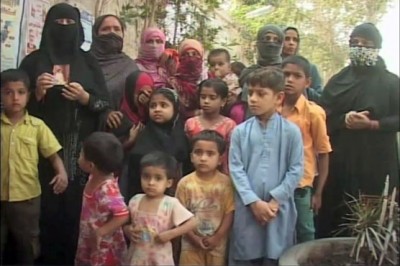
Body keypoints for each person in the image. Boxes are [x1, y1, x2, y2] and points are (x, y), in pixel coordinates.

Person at [18, 3, 110, 264]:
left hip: (78, 155)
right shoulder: (33, 61)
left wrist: (85, 98)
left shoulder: (88, 62)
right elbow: (14, 105)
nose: (64, 29)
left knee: (73, 213)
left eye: (70, 24)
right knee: (40, 212)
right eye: (59, 23)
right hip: (36, 154)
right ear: (48, 26)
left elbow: (104, 103)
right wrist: (36, 93)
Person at [317, 23, 399, 238]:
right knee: (337, 214)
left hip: (377, 165)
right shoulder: (337, 81)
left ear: (377, 48)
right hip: (340, 163)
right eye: (354, 43)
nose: (359, 47)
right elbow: (321, 118)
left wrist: (372, 124)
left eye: (366, 43)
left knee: (375, 219)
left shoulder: (391, 83)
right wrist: (343, 119)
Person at [229, 67, 304, 266]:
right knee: (247, 256)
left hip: (277, 210)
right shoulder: (239, 132)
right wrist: (254, 203)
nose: (253, 99)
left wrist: (274, 202)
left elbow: (296, 169)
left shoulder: (291, 132)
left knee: (276, 257)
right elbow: (235, 169)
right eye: (250, 93)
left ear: (279, 98)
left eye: (261, 94)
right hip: (248, 209)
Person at [0, 69, 68, 265]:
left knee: (28, 246)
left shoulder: (37, 126)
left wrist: (61, 173)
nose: (15, 98)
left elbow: (53, 155)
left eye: (21, 92)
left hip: (27, 198)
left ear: (29, 95)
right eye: (8, 92)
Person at [279, 56, 332, 243]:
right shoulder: (271, 109)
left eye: (296, 76)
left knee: (305, 232)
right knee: (278, 234)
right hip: (274, 184)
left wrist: (318, 193)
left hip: (301, 186)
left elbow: (323, 154)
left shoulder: (314, 113)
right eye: (285, 75)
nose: (290, 80)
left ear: (307, 82)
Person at [123, 151, 197, 265]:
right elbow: (125, 223)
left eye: (158, 178)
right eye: (146, 177)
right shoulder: (135, 200)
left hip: (160, 259)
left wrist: (171, 234)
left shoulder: (170, 204)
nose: (151, 183)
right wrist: (128, 230)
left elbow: (192, 222)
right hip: (137, 257)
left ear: (168, 183)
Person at [176, 130, 235, 266]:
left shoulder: (226, 183)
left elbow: (229, 213)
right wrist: (194, 238)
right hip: (190, 246)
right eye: (198, 152)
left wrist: (217, 237)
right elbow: (179, 216)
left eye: (210, 154)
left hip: (217, 246)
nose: (203, 158)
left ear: (220, 159)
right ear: (191, 157)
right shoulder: (185, 184)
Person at [75, 132, 129, 265]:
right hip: (89, 238)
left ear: (91, 165)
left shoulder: (107, 189)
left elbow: (123, 214)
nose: (79, 156)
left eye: (82, 154)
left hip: (104, 245)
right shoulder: (94, 177)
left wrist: (101, 232)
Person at [127, 88, 192, 199]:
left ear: (175, 109)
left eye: (163, 105)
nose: (157, 109)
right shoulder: (144, 136)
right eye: (153, 106)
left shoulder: (182, 135)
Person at [185, 79, 236, 174]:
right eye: (203, 97)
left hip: (221, 175)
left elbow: (231, 155)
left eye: (212, 98)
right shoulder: (191, 123)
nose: (206, 101)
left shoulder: (229, 125)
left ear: (223, 101)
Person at [91, 14, 138, 110]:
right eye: (105, 29)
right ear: (96, 34)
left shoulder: (130, 67)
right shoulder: (83, 61)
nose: (112, 33)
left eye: (117, 29)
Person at [239, 24, 284, 119]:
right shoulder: (247, 73)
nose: (271, 43)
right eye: (267, 38)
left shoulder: (287, 73)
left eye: (276, 40)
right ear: (258, 43)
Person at [106, 70, 154, 148]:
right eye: (140, 92)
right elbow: (108, 152)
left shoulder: (152, 115)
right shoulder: (117, 118)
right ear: (130, 92)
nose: (144, 98)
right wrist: (129, 142)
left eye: (149, 93)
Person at [282, 26, 323, 103]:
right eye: (287, 39)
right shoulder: (273, 67)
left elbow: (320, 98)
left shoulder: (310, 68)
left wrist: (302, 86)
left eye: (295, 40)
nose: (291, 43)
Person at [168, 39, 205, 119]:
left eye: (194, 54)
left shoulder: (208, 78)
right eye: (186, 54)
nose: (191, 57)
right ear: (180, 58)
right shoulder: (173, 83)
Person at [208, 48, 246, 124]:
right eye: (212, 65)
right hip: (219, 108)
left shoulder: (231, 78)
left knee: (237, 112)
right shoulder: (210, 80)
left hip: (233, 106)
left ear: (229, 66)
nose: (216, 67)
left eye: (220, 64)